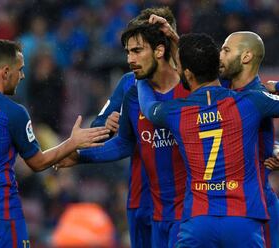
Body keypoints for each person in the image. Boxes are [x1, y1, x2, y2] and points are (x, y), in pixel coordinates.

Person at [0, 39, 109, 248]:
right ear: (5, 71)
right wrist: (73, 142)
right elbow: (37, 163)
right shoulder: (13, 111)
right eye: (20, 70)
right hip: (0, 212)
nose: (23, 76)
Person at [137, 28, 279, 246]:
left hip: (198, 221)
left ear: (188, 74)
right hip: (243, 218)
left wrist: (141, 79)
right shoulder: (251, 102)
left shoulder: (174, 111)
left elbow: (148, 108)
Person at [59, 18, 189, 248]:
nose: (130, 59)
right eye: (128, 52)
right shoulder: (131, 93)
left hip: (192, 210)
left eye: (137, 51)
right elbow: (124, 144)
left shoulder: (193, 89)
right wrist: (79, 155)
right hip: (156, 211)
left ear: (160, 49)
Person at [89, 7, 179, 248]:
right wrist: (107, 125)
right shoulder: (130, 82)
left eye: (139, 48)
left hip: (186, 199)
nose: (132, 58)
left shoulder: (192, 81)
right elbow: (98, 127)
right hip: (143, 196)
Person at [219, 31, 279, 248]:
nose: (220, 56)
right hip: (215, 207)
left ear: (245, 57)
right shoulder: (217, 89)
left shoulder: (260, 97)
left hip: (257, 206)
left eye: (226, 50)